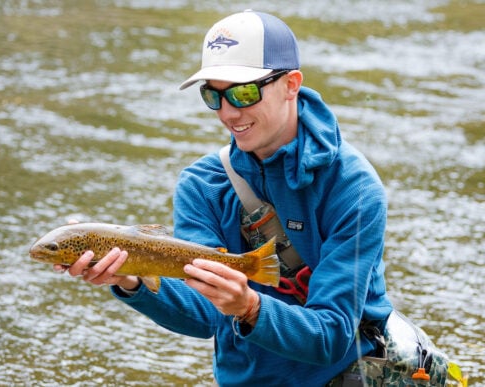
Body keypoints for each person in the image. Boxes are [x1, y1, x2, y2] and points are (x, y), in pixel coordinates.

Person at [57, 10, 394, 386]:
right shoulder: (203, 184)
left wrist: (250, 307)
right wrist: (132, 281)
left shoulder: (352, 188)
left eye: (244, 92)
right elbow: (204, 318)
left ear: (291, 84)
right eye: (213, 95)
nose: (229, 112)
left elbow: (332, 337)